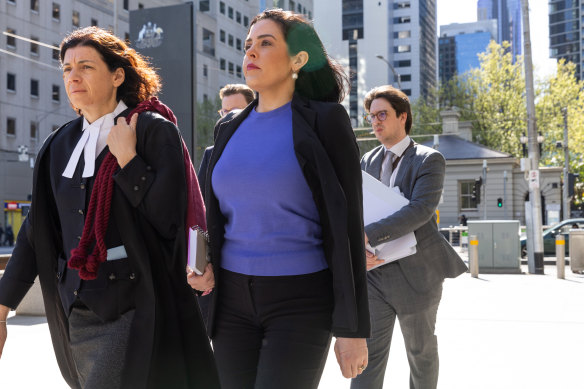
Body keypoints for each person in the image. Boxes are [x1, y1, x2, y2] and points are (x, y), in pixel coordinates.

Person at [0, 27, 219, 388]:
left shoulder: (152, 130)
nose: (73, 76)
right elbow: (36, 232)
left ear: (118, 75)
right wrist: (3, 306)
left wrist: (129, 161)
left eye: (85, 66)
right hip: (76, 312)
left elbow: (171, 223)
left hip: (136, 308)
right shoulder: (58, 145)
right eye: (67, 68)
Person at [189, 9, 371, 389]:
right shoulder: (227, 127)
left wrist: (352, 329)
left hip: (302, 301)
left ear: (298, 59)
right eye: (247, 45)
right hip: (230, 300)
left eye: (265, 43)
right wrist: (200, 262)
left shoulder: (326, 121)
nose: (251, 53)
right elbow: (213, 215)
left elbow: (348, 227)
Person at [352, 85, 467, 389]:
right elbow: (359, 209)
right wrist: (358, 246)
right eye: (371, 116)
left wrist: (367, 235)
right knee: (368, 357)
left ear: (402, 116)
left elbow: (421, 210)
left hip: (418, 276)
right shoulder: (366, 162)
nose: (375, 122)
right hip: (375, 275)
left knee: (421, 354)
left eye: (382, 114)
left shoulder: (429, 159)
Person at [197, 83, 255, 200]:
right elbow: (201, 200)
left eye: (235, 111)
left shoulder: (264, 149)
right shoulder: (211, 154)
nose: (229, 117)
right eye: (225, 112)